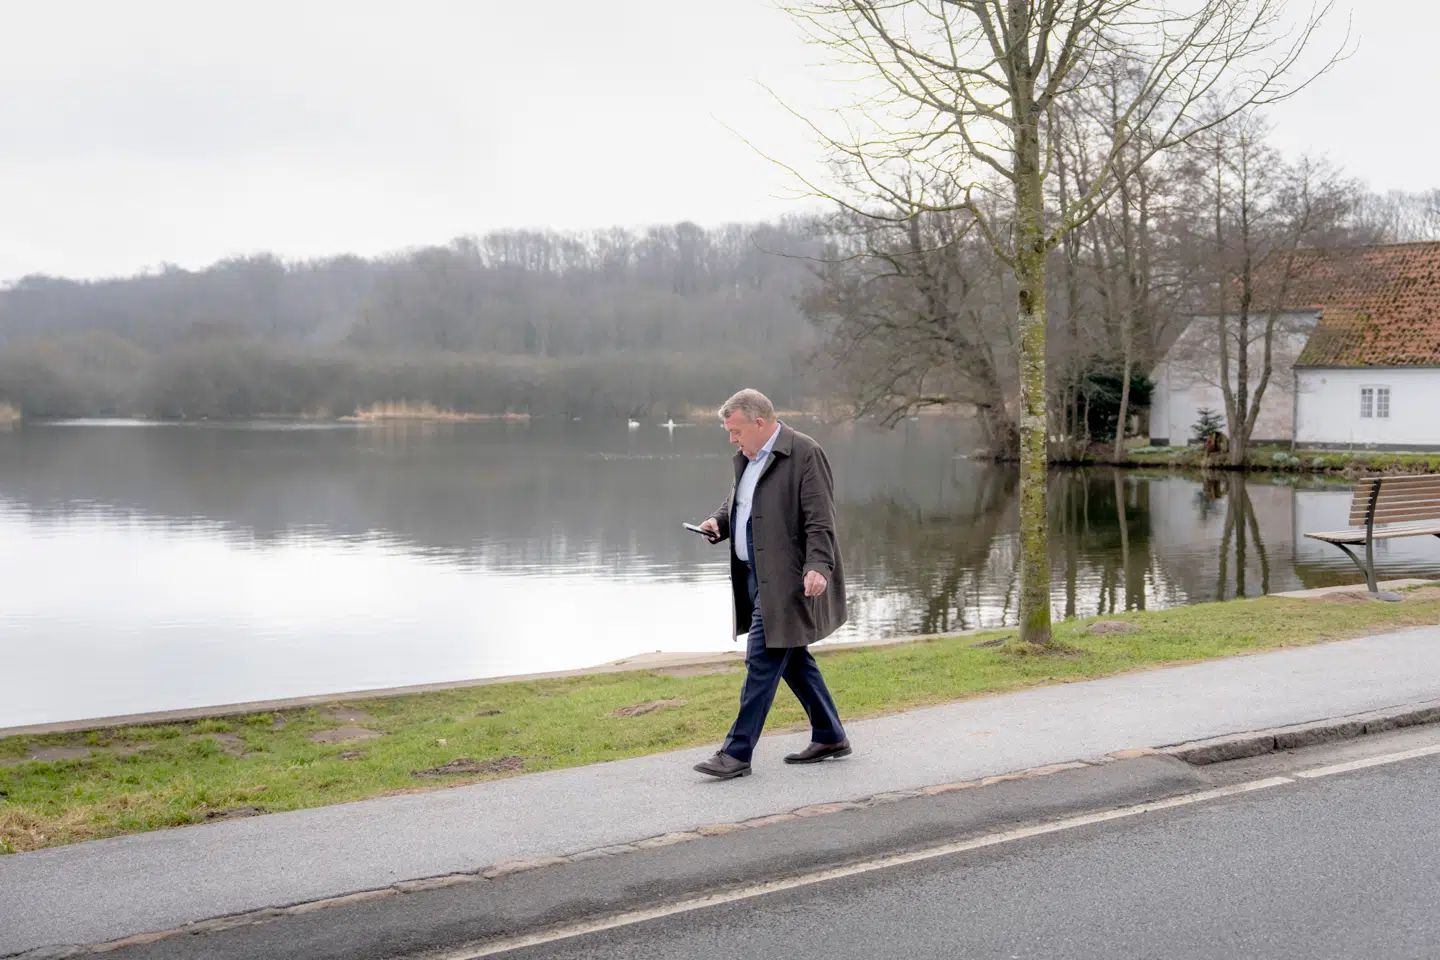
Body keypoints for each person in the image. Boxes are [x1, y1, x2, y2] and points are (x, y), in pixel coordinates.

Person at [692, 389, 851, 779]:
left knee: (761, 661)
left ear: (759, 423)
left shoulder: (804, 453)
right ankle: (830, 735)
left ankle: (736, 753)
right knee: (792, 658)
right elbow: (741, 505)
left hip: (787, 582)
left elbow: (820, 519)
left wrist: (818, 564)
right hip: (753, 578)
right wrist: (720, 523)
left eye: (736, 431)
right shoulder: (750, 458)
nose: (733, 439)